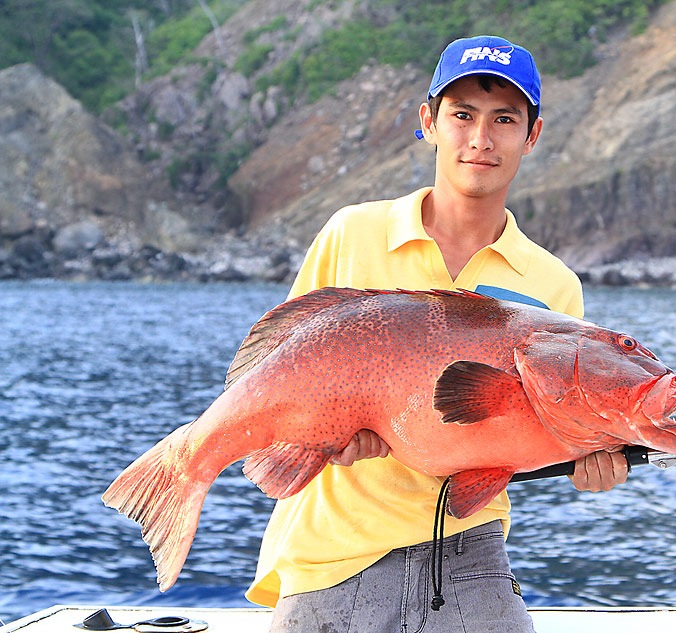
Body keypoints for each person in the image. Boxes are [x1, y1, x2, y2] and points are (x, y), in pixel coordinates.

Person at [247, 35, 629, 632]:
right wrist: (329, 436)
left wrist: (585, 453)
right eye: (462, 115)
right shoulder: (352, 233)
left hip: (471, 555)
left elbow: (513, 443)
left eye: (505, 119)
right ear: (428, 122)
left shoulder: (555, 287)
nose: (481, 138)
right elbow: (282, 369)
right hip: (332, 552)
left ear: (532, 136)